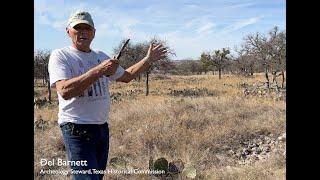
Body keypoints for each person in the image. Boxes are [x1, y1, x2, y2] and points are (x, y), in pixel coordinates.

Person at [48, 10, 167, 180]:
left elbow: (127, 76)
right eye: (78, 28)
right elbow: (65, 91)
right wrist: (99, 70)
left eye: (87, 29)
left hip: (101, 129)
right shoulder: (61, 56)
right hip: (76, 129)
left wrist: (148, 59)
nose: (83, 32)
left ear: (94, 33)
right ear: (68, 31)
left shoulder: (100, 56)